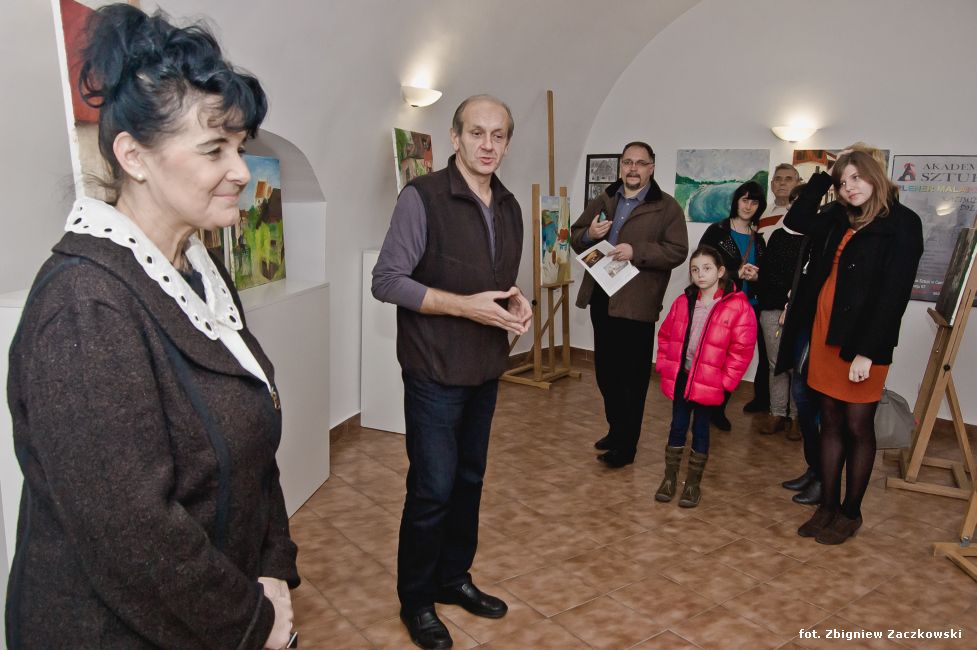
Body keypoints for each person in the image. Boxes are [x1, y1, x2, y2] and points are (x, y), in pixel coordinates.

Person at [4, 5, 298, 649]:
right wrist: (251, 620)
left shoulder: (197, 271)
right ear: (133, 156)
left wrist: (273, 566)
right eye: (214, 149)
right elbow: (132, 537)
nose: (241, 171)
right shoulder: (85, 307)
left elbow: (252, 435)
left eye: (240, 147)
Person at [372, 95, 532, 650]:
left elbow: (494, 282)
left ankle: (452, 577)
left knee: (469, 481)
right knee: (433, 488)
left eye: (498, 135)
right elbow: (386, 281)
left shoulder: (509, 205)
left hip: (485, 367)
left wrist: (516, 300)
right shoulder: (421, 197)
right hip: (434, 371)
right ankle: (416, 599)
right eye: (477, 133)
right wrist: (466, 307)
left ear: (507, 143)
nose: (488, 145)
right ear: (455, 137)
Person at [782, 150, 923, 545]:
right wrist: (823, 179)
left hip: (864, 342)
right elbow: (796, 221)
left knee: (858, 426)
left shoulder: (903, 223)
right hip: (825, 334)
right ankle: (827, 505)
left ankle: (851, 511)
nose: (849, 187)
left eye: (857, 178)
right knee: (829, 421)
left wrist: (868, 351)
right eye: (843, 182)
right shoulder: (840, 215)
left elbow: (894, 294)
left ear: (875, 175)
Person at [569, 142, 688, 468]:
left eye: (640, 163)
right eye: (628, 162)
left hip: (637, 304)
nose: (633, 168)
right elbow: (576, 236)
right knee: (606, 373)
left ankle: (626, 445)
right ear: (621, 166)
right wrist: (590, 233)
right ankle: (616, 430)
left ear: (651, 167)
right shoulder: (605, 198)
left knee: (631, 379)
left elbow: (677, 251)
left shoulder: (667, 207)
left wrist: (637, 252)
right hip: (601, 297)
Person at [653, 246, 757, 507]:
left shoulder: (738, 307)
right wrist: (665, 365)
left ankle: (692, 484)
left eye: (707, 268)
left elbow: (742, 351)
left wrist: (725, 383)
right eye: (695, 269)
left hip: (710, 382)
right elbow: (665, 335)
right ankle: (669, 478)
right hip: (683, 376)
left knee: (701, 429)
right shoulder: (683, 302)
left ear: (720, 271)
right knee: (677, 425)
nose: (700, 274)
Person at [699, 181, 767, 430]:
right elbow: (703, 267)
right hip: (722, 306)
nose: (748, 206)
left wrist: (757, 277)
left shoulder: (758, 239)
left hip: (750, 307)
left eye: (754, 201)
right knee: (715, 358)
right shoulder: (717, 232)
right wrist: (736, 274)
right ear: (736, 201)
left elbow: (766, 274)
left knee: (735, 363)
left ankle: (719, 408)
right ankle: (706, 407)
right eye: (744, 200)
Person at [755, 181, 807, 437]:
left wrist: (794, 300)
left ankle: (796, 417)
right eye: (796, 204)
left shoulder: (817, 238)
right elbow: (767, 274)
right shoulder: (778, 236)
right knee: (775, 363)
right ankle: (777, 413)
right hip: (772, 308)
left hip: (801, 312)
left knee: (797, 365)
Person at [758, 163, 801, 238]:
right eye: (778, 179)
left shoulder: (805, 214)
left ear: (798, 184)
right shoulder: (760, 212)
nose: (782, 183)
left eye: (788, 179)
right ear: (772, 185)